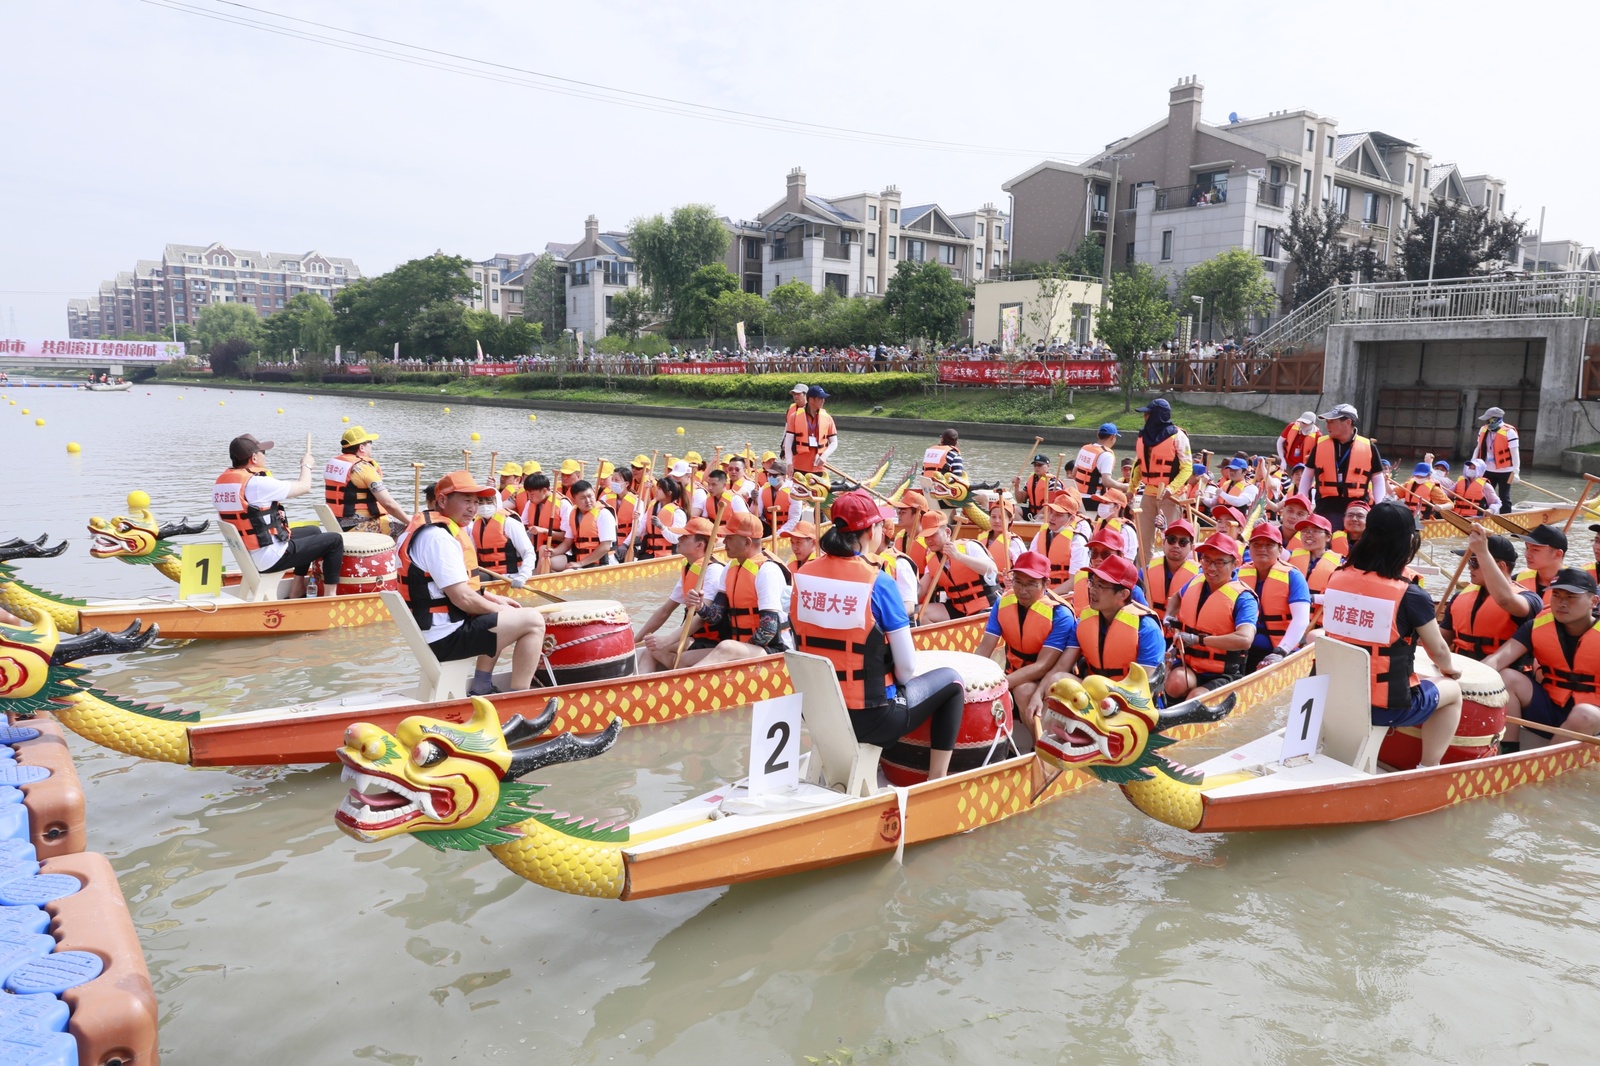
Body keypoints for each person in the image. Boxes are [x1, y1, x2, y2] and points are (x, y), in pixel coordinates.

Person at [790, 491, 966, 780]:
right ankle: (936, 782)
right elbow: (907, 670)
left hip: (816, 714)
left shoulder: (803, 575)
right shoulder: (878, 581)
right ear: (871, 530)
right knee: (953, 682)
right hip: (870, 718)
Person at [1321, 501, 1463, 766]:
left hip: (1333, 696)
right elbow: (1440, 652)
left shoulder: (1336, 577)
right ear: (1409, 541)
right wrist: (1450, 670)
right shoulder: (1410, 594)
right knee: (1453, 691)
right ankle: (1427, 768)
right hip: (1381, 707)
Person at [394, 471, 549, 695]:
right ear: (442, 501)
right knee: (533, 621)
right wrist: (500, 609)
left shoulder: (427, 530)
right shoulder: (439, 538)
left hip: (433, 631)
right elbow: (463, 598)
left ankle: (482, 685)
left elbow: (453, 588)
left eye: (476, 502)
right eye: (466, 500)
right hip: (445, 638)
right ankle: (519, 696)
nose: (473, 508)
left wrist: (494, 598)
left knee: (505, 612)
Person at [214, 433, 343, 599]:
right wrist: (306, 466)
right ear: (254, 458)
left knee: (313, 531)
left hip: (248, 555)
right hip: (269, 557)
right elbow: (304, 487)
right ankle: (330, 597)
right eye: (263, 453)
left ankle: (297, 588)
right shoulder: (257, 484)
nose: (264, 458)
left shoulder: (222, 484)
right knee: (334, 541)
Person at [1483, 568, 1600, 750]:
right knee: (1506, 676)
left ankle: (1544, 764)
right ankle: (1508, 751)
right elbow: (1498, 659)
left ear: (1594, 601)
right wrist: (1465, 683)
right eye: (1556, 595)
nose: (1561, 603)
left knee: (1583, 714)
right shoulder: (1536, 626)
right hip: (1549, 706)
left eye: (1571, 597)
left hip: (1592, 715)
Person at [1038, 553, 1166, 716]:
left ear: (1123, 595)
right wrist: (1038, 694)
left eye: (1101, 586)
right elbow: (1062, 666)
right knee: (1057, 680)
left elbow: (1143, 689)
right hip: (1094, 696)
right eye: (1092, 583)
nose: (1092, 590)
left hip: (1131, 706)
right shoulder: (1083, 622)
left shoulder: (1148, 629)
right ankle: (1044, 738)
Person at [974, 550, 1074, 726]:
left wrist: (996, 686)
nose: (1022, 590)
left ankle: (1038, 747)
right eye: (1017, 582)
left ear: (1046, 584)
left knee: (1023, 690)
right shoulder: (1003, 602)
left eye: (1030, 584)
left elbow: (1042, 666)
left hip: (1047, 679)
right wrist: (972, 681)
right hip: (1013, 672)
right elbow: (985, 647)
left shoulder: (1060, 614)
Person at [1165, 532, 1259, 700]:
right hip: (1189, 663)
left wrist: (1198, 640)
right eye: (1206, 560)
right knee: (1175, 684)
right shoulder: (1196, 580)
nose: (1211, 567)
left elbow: (1245, 639)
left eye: (1220, 562)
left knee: (1195, 698)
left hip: (1223, 670)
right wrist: (1168, 616)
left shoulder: (1244, 597)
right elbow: (1177, 597)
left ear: (1235, 564)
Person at [692, 513, 792, 665]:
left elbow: (768, 630)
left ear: (747, 542)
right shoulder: (729, 569)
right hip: (739, 647)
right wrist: (700, 607)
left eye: (730, 538)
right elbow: (715, 617)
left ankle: (690, 686)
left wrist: (738, 653)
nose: (724, 542)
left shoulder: (767, 571)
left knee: (726, 647)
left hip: (771, 649)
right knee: (684, 659)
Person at [634, 518, 723, 672]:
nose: (679, 539)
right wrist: (634, 641)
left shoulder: (713, 570)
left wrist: (667, 640)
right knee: (651, 648)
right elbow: (664, 611)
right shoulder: (689, 567)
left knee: (666, 654)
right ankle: (639, 688)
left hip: (714, 641)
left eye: (685, 537)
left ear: (699, 545)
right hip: (695, 638)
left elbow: (702, 618)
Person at [1440, 530, 1542, 659]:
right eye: (1469, 562)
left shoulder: (1529, 599)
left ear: (1500, 566)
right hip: (1462, 667)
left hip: (1503, 673)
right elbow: (1442, 641)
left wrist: (1482, 552)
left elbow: (1505, 600)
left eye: (1474, 563)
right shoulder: (1459, 597)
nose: (1470, 568)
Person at [1129, 397, 1193, 587]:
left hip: (1171, 495)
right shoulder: (1143, 436)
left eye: (1148, 414)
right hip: (1149, 494)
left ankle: (1172, 581)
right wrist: (1131, 489)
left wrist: (1171, 489)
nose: (1145, 417)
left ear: (1157, 416)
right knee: (1144, 539)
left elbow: (1187, 468)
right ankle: (1144, 583)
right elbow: (1139, 465)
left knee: (1173, 540)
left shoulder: (1178, 436)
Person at [1236, 524, 1312, 670]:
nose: (1262, 549)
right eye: (1256, 544)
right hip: (1243, 649)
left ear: (1280, 550)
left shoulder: (1293, 576)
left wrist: (1281, 650)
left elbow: (1301, 619)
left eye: (1269, 545)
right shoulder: (1238, 574)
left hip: (1281, 650)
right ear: (1249, 548)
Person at [1300, 403, 1385, 523]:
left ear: (1348, 422)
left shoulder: (1369, 447)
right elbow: (1307, 476)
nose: (1327, 426)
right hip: (1326, 508)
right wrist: (1302, 500)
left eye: (1332, 422)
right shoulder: (1320, 445)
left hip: (1357, 510)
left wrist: (1379, 505)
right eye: (1327, 422)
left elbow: (1378, 479)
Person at [322, 425, 410, 534]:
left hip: (336, 523)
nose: (371, 446)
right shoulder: (363, 468)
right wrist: (410, 522)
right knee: (407, 527)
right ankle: (395, 551)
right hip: (356, 526)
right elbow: (388, 504)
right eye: (369, 443)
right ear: (361, 447)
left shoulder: (334, 464)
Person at [916, 510, 999, 623]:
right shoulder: (932, 559)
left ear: (948, 532)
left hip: (986, 606)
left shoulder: (969, 546)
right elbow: (921, 589)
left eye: (933, 535)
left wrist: (958, 556)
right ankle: (945, 640)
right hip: (959, 609)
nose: (929, 540)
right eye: (926, 537)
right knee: (921, 612)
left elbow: (992, 569)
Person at [469, 490, 536, 588]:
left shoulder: (509, 523)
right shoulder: (476, 524)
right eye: (480, 502)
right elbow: (471, 553)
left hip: (510, 576)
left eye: (489, 502)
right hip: (488, 572)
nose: (484, 506)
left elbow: (528, 552)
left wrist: (523, 576)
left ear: (498, 503)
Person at [546, 480, 615, 571]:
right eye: (582, 498)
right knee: (549, 562)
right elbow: (567, 542)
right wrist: (553, 552)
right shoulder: (573, 514)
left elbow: (605, 546)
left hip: (601, 561)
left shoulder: (603, 514)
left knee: (568, 572)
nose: (588, 501)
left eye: (590, 496)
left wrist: (580, 564)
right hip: (578, 558)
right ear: (574, 500)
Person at [1030, 493, 1089, 589]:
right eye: (1051, 512)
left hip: (1064, 596)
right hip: (1040, 590)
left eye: (1058, 515)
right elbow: (1031, 566)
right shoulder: (1040, 535)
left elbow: (1074, 581)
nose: (1052, 517)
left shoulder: (1078, 541)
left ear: (1071, 519)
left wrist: (1048, 596)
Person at [1145, 517, 1199, 616]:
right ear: (1163, 542)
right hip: (1151, 627)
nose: (1176, 545)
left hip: (1180, 630)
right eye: (1171, 540)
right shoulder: (1146, 572)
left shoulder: (1199, 577)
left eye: (1182, 542)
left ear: (1191, 548)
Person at [1474, 406, 1520, 513]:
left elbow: (1515, 453)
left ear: (1496, 419)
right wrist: (1473, 462)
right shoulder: (1483, 429)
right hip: (1487, 469)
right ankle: (1484, 516)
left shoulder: (1509, 432)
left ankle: (1506, 519)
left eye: (1488, 419)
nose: (1486, 422)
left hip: (1505, 471)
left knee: (1504, 496)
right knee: (1484, 495)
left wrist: (1516, 471)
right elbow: (1478, 447)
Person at [783, 385, 837, 474]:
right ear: (811, 400)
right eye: (820, 398)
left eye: (824, 398)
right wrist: (789, 463)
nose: (823, 401)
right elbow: (788, 443)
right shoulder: (794, 417)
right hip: (798, 467)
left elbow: (834, 442)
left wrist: (824, 456)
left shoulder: (828, 418)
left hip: (819, 467)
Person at [1289, 514, 1343, 601]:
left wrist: (1312, 598)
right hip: (1292, 613)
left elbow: (1343, 596)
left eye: (1315, 531)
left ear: (1328, 537)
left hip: (1321, 613)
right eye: (1305, 531)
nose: (1308, 535)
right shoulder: (1289, 556)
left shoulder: (1341, 563)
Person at [517, 472, 569, 562]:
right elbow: (522, 525)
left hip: (558, 551)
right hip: (535, 550)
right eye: (528, 494)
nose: (529, 497)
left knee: (543, 549)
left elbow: (567, 537)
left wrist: (545, 531)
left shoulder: (563, 504)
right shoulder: (530, 503)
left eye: (532, 494)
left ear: (544, 491)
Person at [1515, 524, 1567, 606]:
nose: (1527, 554)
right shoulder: (1517, 579)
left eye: (1535, 550)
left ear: (1557, 554)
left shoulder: (1578, 586)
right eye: (1527, 548)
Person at [1072, 424, 1125, 499]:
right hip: (1093, 499)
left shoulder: (1084, 448)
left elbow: (1074, 474)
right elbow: (1106, 482)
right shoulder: (1107, 455)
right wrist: (1124, 487)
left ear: (1098, 435)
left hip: (1076, 497)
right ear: (1113, 437)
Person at [601, 466, 643, 562]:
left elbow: (637, 529)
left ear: (626, 483)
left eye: (617, 480)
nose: (613, 483)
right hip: (609, 542)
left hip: (628, 542)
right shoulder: (604, 499)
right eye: (612, 480)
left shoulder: (637, 502)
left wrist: (625, 544)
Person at [758, 461, 803, 539]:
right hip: (769, 528)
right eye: (769, 475)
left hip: (788, 531)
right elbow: (758, 513)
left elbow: (794, 518)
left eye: (775, 475)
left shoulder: (793, 491)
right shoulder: (763, 489)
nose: (771, 477)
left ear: (784, 476)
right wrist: (755, 500)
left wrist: (779, 533)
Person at [1016, 454, 1060, 520]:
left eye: (1040, 465)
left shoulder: (1053, 482)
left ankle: (1031, 526)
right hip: (1031, 512)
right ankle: (1025, 526)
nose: (1037, 467)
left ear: (1048, 466)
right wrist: (1016, 486)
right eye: (1035, 465)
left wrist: (1038, 516)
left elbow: (1052, 504)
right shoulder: (1031, 480)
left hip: (1046, 513)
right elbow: (1020, 500)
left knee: (1040, 517)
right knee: (1012, 510)